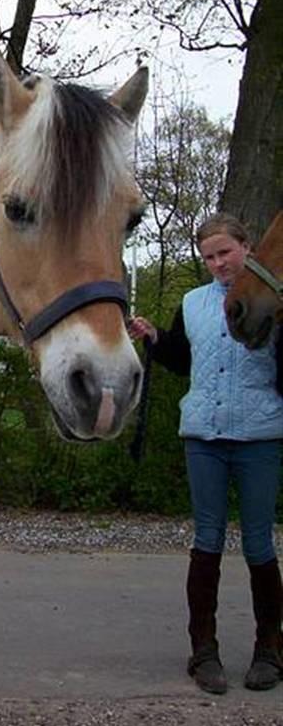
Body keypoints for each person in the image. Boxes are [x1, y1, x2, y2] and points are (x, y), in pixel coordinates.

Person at [128, 212, 283, 695]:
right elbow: (183, 359)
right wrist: (155, 339)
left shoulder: (270, 302)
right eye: (209, 257)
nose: (218, 263)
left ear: (248, 247)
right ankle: (204, 651)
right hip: (204, 439)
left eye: (225, 252)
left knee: (259, 542)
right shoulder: (193, 303)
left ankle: (269, 650)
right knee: (207, 541)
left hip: (259, 437)